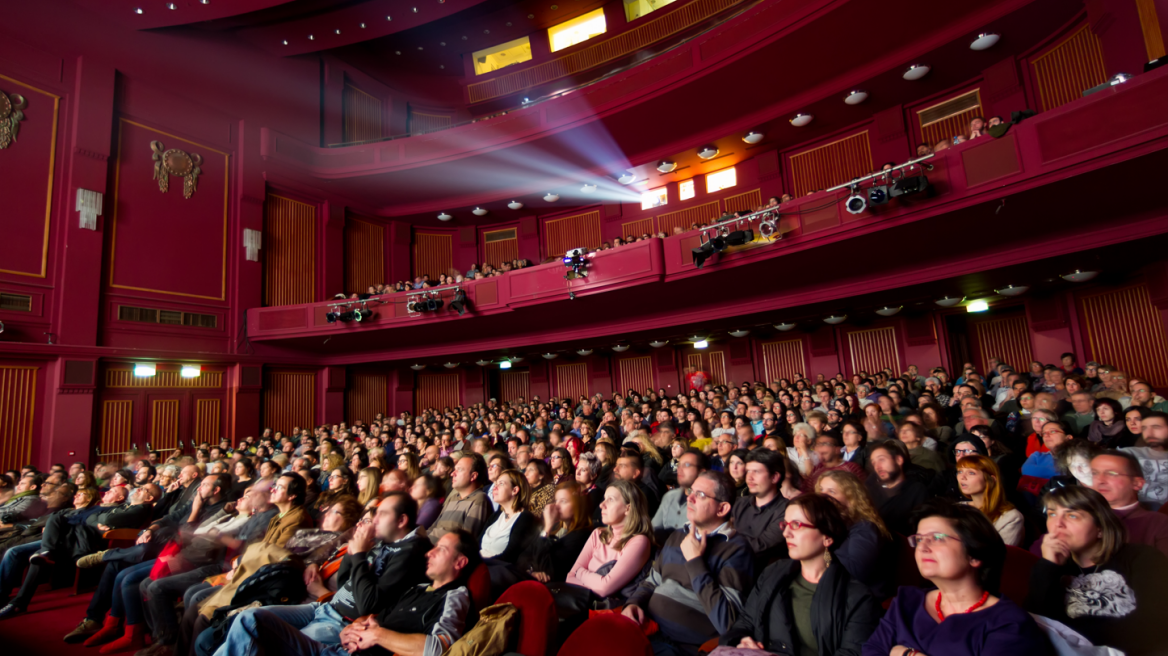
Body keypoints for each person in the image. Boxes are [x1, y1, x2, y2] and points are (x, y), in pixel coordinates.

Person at [210, 492, 431, 656]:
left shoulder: (410, 552)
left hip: (342, 623)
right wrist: (352, 551)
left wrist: (360, 555)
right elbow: (346, 581)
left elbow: (368, 605)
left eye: (382, 514)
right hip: (323, 607)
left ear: (401, 521)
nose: (374, 520)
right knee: (247, 618)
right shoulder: (383, 541)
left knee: (263, 638)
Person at [232, 530, 478, 656]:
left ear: (460, 562)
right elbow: (374, 616)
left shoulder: (455, 596)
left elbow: (438, 648)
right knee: (250, 619)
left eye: (441, 549)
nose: (429, 553)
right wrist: (355, 627)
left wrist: (378, 635)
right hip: (337, 648)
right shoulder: (417, 589)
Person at [864, 501, 1046, 656]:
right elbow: (871, 651)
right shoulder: (906, 601)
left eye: (937, 538)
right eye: (919, 539)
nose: (922, 547)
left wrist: (906, 653)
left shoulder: (1009, 624)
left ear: (975, 555)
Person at [720, 495, 882, 656]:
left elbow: (850, 653)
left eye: (796, 525)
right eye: (785, 524)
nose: (786, 533)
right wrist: (743, 640)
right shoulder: (773, 572)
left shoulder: (857, 598)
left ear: (827, 537)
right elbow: (746, 621)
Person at [623, 471, 754, 656]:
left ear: (722, 509)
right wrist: (633, 603)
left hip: (680, 647)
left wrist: (695, 562)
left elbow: (727, 622)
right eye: (691, 491)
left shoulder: (736, 550)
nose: (690, 498)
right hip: (646, 628)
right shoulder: (678, 535)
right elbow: (652, 581)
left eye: (700, 495)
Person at [1027, 486, 1168, 656]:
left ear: (1100, 528)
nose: (1058, 524)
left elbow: (1154, 626)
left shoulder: (1142, 558)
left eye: (1072, 515)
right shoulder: (1048, 569)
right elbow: (1038, 627)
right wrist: (1048, 566)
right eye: (1052, 514)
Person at [565, 479, 652, 602]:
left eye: (610, 500)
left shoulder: (639, 542)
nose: (601, 505)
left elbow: (604, 588)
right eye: (604, 499)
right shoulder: (598, 534)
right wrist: (594, 582)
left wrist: (580, 573)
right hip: (580, 602)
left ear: (628, 508)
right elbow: (569, 577)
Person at [814, 470, 894, 597]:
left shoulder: (865, 527)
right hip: (834, 590)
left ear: (851, 499)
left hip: (861, 597)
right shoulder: (829, 524)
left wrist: (823, 540)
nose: (823, 496)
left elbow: (856, 572)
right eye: (821, 490)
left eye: (832, 492)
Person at [1086, 450, 1168, 555]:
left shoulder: (1158, 523)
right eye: (1094, 473)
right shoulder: (1077, 516)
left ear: (1137, 483)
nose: (1100, 480)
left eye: (1111, 473)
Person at [517, 481, 593, 584]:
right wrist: (531, 571)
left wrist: (547, 528)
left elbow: (549, 570)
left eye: (563, 501)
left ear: (579, 505)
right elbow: (523, 557)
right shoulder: (556, 528)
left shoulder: (582, 535)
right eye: (556, 500)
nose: (556, 506)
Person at [732, 448, 789, 567]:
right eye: (748, 471)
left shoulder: (787, 510)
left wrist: (726, 536)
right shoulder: (738, 502)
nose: (749, 478)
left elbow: (760, 546)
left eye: (756, 472)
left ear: (774, 477)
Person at [954, 455, 1023, 546]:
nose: (962, 477)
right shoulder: (956, 508)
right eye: (960, 471)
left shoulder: (1011, 517)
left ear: (991, 479)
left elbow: (999, 555)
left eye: (971, 473)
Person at [865, 441, 929, 536]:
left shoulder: (916, 490)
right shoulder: (869, 490)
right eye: (874, 463)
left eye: (881, 460)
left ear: (899, 460)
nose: (877, 467)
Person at [429, 455, 491, 543]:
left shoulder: (479, 500)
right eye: (454, 469)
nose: (452, 473)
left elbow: (465, 541)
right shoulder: (453, 498)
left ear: (473, 476)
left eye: (459, 469)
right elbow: (433, 527)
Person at [480, 469, 535, 563]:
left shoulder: (525, 519)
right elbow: (477, 543)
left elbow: (510, 556)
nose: (494, 487)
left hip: (496, 569)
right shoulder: (496, 515)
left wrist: (479, 563)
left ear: (514, 490)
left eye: (501, 484)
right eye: (495, 484)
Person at [653, 449, 707, 543]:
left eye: (686, 465)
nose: (679, 469)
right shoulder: (669, 496)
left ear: (701, 472)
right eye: (679, 465)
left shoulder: (707, 501)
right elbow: (654, 528)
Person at [1122, 411, 1168, 510]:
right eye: (1144, 428)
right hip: (1135, 511)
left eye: (1156, 427)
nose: (1149, 433)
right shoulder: (1129, 453)